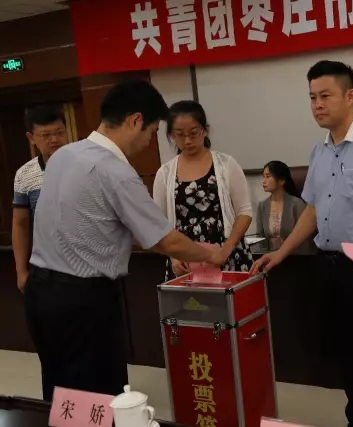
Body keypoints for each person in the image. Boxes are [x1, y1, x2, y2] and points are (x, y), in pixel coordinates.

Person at [25, 80, 225, 402]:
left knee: (61, 387)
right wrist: (212, 255)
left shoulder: (64, 156)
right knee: (97, 392)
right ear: (135, 120)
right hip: (83, 299)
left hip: (41, 293)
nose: (149, 142)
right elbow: (166, 241)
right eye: (152, 131)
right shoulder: (115, 171)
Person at [251, 60, 353, 427]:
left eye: (325, 96)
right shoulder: (319, 152)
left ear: (350, 95)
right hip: (330, 266)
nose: (317, 105)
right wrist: (282, 252)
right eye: (312, 97)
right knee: (350, 356)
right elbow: (312, 209)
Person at [153, 100, 253, 280]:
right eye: (180, 135)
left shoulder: (226, 164)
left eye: (194, 133)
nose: (188, 141)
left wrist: (225, 250)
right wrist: (173, 256)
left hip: (225, 254)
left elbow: (244, 212)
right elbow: (158, 224)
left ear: (205, 130)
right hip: (183, 262)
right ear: (171, 135)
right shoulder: (165, 174)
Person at [12, 105, 68, 293]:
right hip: (46, 267)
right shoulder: (24, 174)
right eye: (45, 135)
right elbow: (20, 223)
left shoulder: (87, 164)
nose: (54, 140)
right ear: (31, 138)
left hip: (89, 265)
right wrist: (21, 271)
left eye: (59, 132)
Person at [256, 160, 313, 253]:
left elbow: (305, 238)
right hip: (269, 256)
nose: (264, 181)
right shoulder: (262, 206)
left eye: (268, 176)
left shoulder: (297, 204)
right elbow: (260, 238)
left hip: (295, 256)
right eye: (263, 177)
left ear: (281, 181)